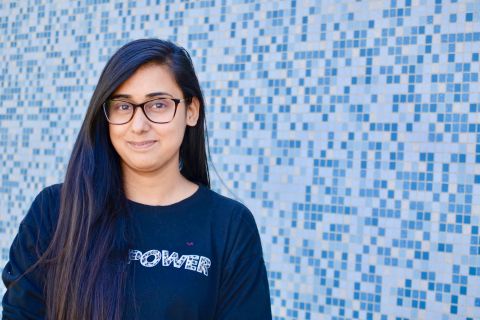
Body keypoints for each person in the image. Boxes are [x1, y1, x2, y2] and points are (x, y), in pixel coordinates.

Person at [1, 38, 272, 320]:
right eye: (122, 106)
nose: (139, 126)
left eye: (158, 105)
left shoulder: (229, 224)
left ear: (191, 111)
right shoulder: (55, 211)